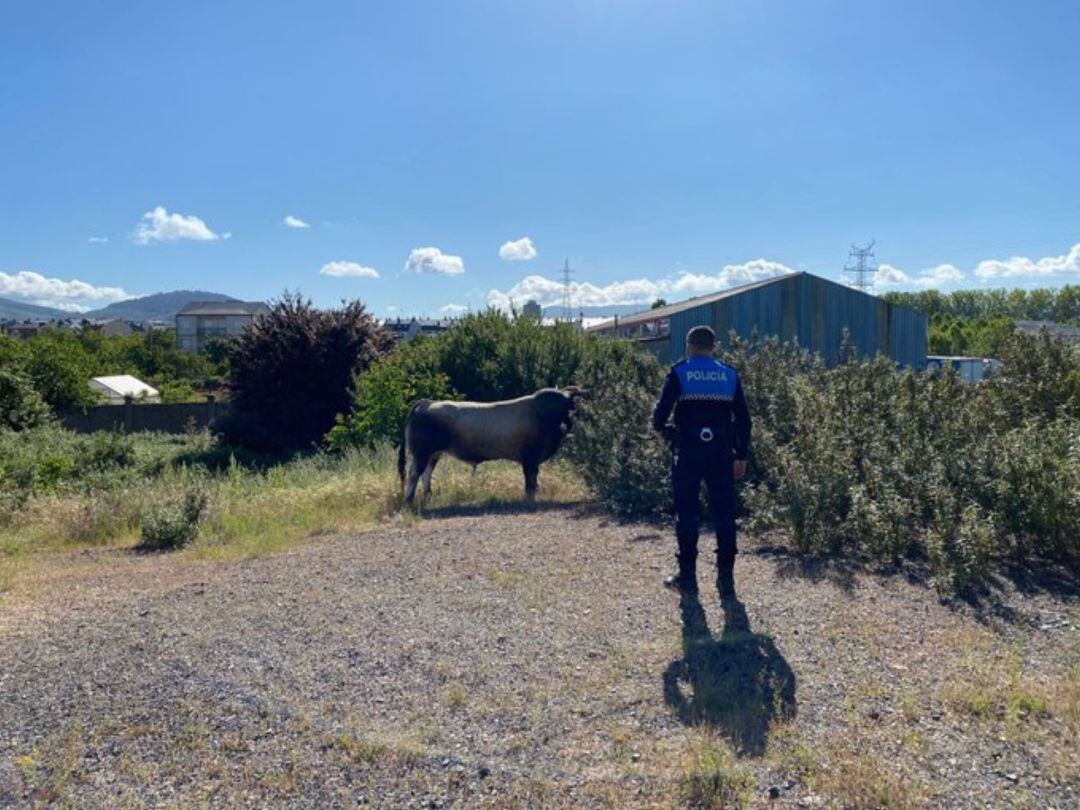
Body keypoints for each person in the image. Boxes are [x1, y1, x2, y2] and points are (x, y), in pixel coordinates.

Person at [652, 325, 751, 599]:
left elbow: (658, 419)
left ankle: (688, 578)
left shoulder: (679, 372)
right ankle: (726, 580)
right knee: (724, 514)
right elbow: (744, 420)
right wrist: (741, 455)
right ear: (714, 346)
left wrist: (671, 435)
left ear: (689, 345)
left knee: (687, 514)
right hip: (722, 453)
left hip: (688, 453)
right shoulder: (730, 374)